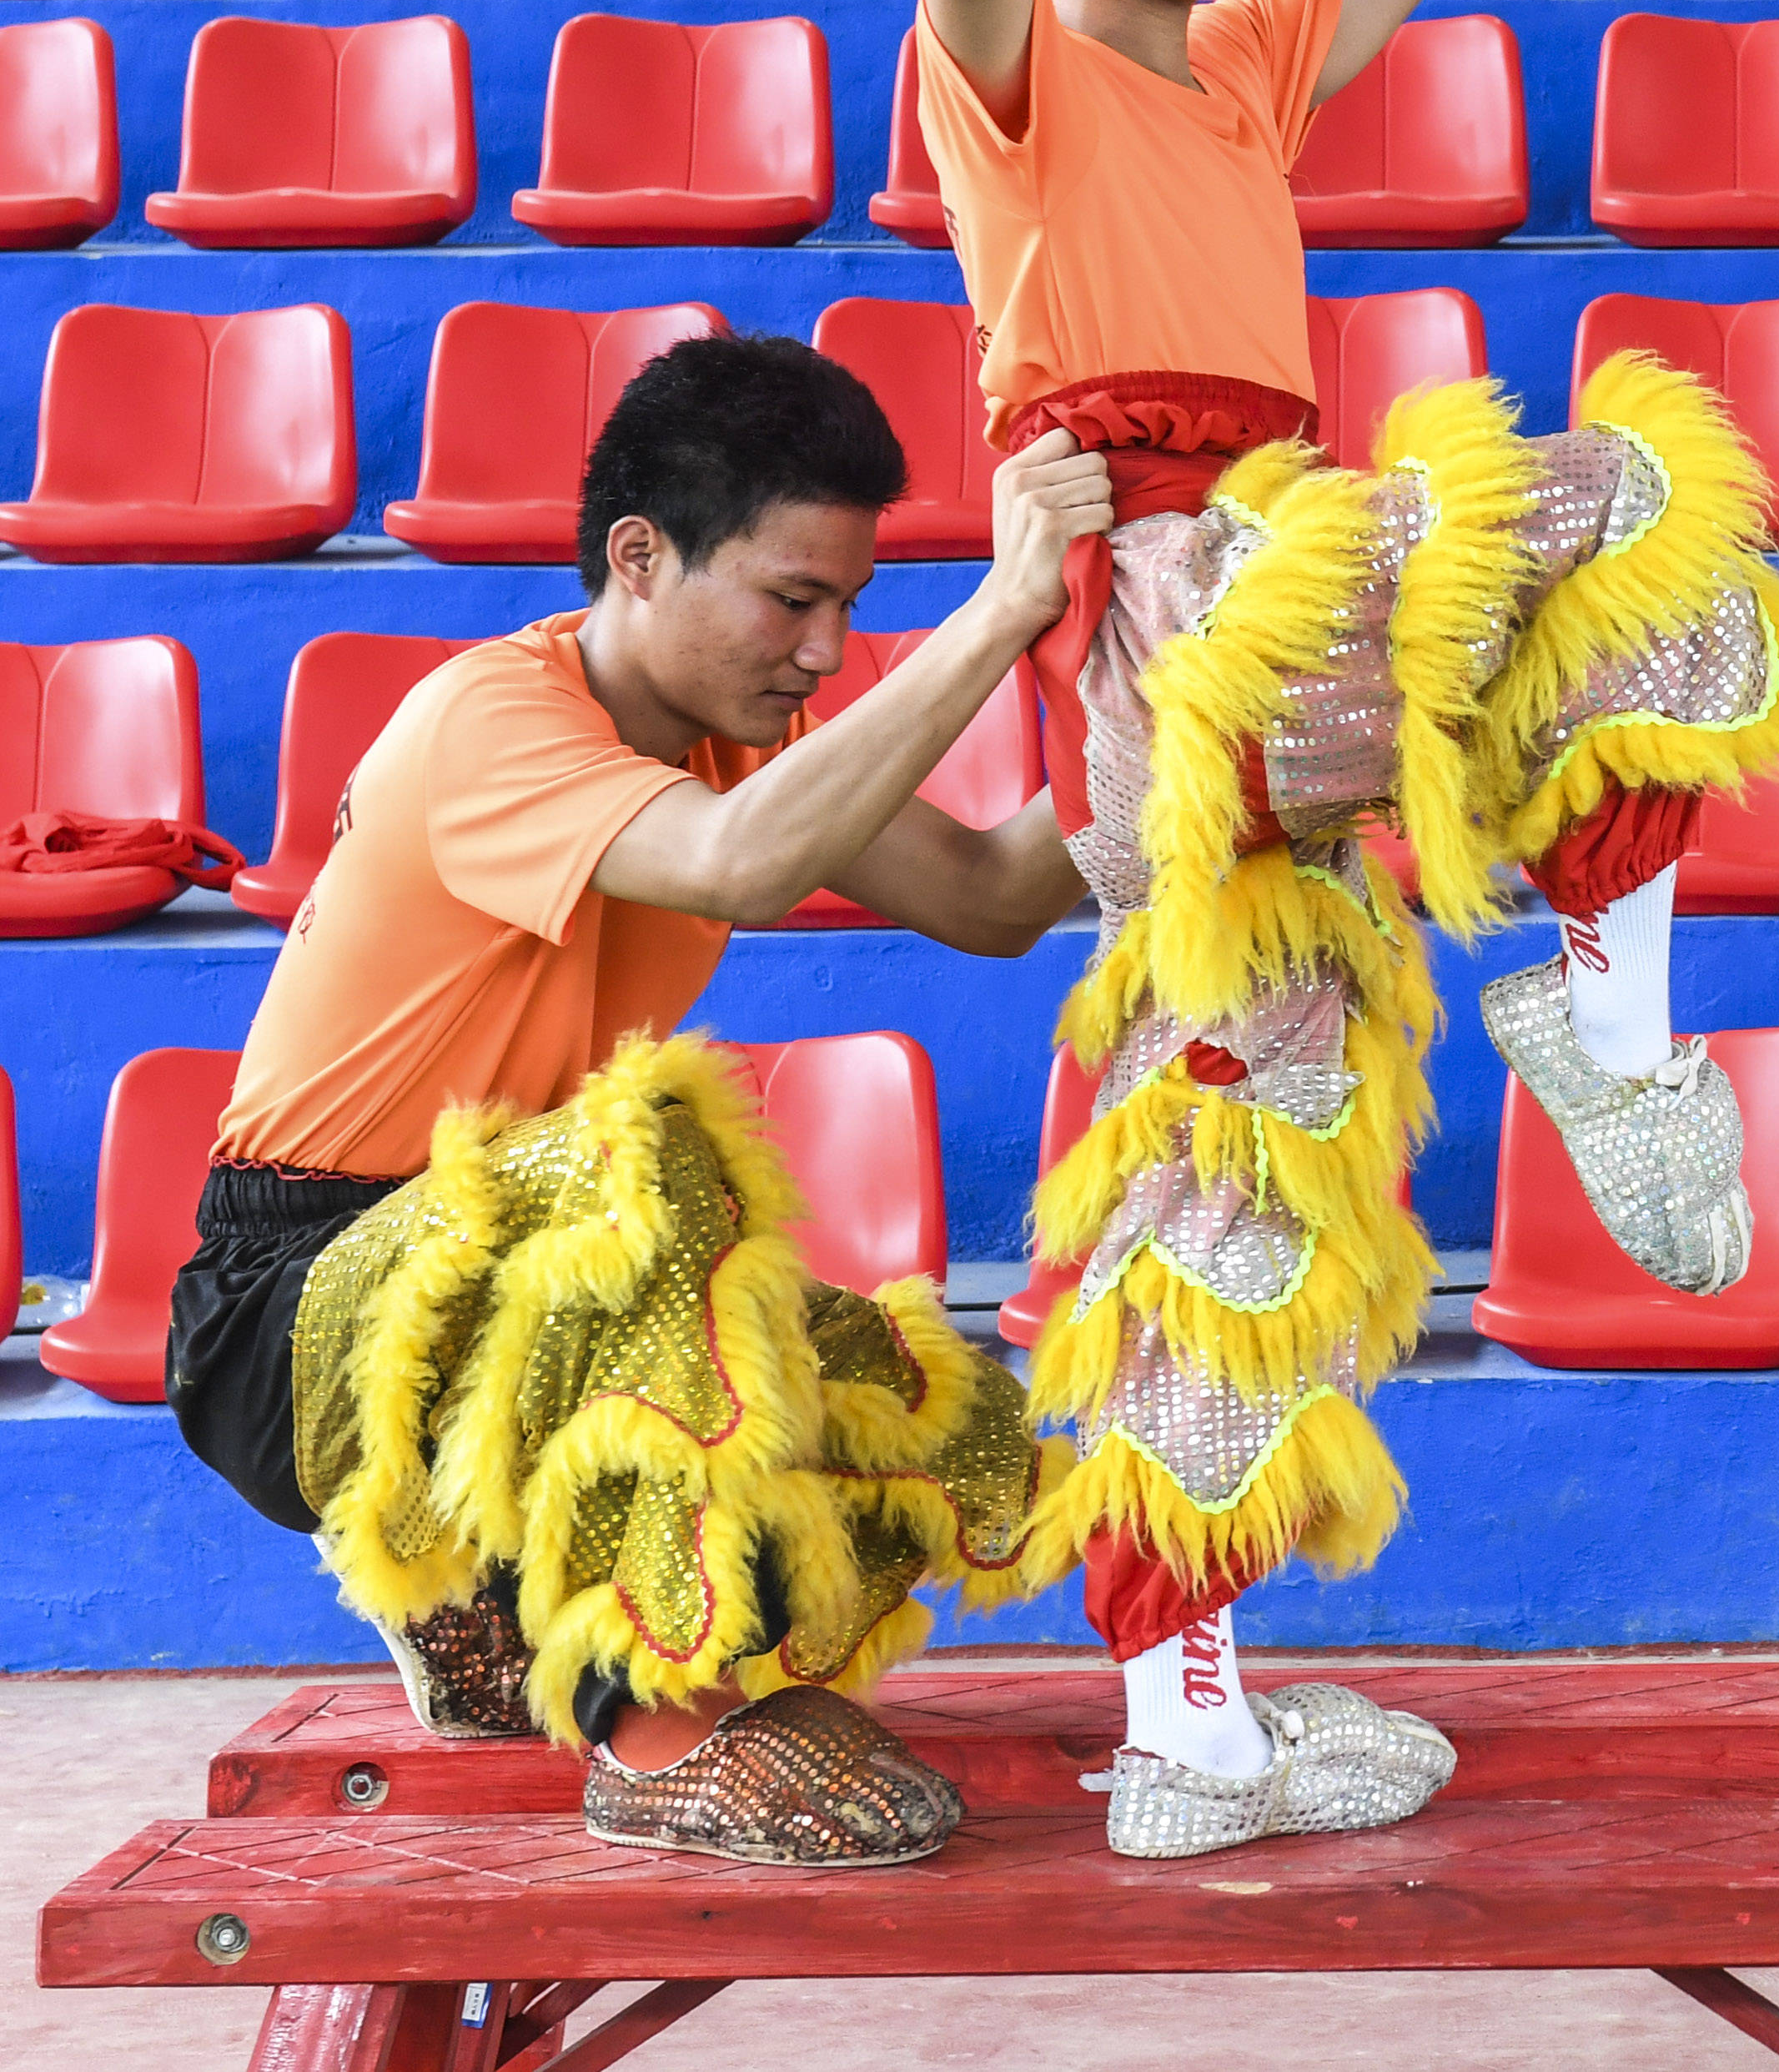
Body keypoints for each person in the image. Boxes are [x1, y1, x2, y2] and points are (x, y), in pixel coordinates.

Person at [904, 0, 1779, 1857]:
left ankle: (1188, 1729)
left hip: (1298, 643)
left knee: (1249, 1188)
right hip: (1170, 625)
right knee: (1615, 492)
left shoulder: (1248, 68)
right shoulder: (1012, 80)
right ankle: (1607, 1026)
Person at [166, 334, 1113, 1867]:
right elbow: (737, 861)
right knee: (653, 1164)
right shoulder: (494, 719)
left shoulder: (741, 743)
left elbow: (999, 896)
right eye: (792, 598)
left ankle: (486, 1619)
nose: (822, 649)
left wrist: (1205, 744)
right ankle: (652, 1739)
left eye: (850, 605)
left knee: (841, 1369)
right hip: (289, 1311)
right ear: (638, 555)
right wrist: (1009, 605)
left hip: (499, 1250)